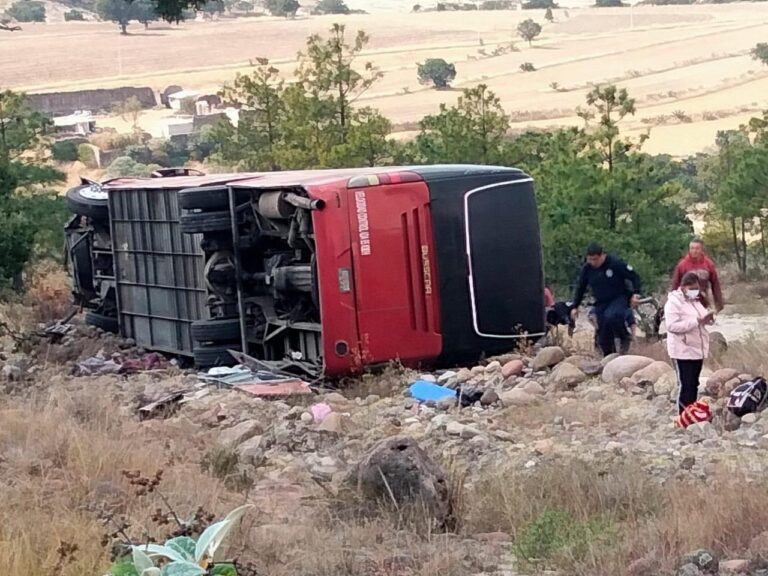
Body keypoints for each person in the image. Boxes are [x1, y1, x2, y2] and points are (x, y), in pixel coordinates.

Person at [571, 243, 642, 356]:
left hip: (619, 297)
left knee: (612, 315)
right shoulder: (587, 269)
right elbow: (581, 287)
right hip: (601, 301)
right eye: (590, 260)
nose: (593, 262)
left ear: (602, 255)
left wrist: (636, 294)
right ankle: (609, 354)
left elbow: (634, 276)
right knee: (601, 326)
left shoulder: (615, 263)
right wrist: (575, 306)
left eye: (595, 259)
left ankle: (624, 337)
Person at [665, 271, 714, 414]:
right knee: (686, 384)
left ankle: (692, 413)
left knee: (694, 383)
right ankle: (683, 414)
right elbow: (672, 326)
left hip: (697, 347)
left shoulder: (696, 300)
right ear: (683, 287)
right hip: (682, 349)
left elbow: (700, 317)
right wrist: (696, 322)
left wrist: (707, 319)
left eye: (696, 288)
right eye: (692, 289)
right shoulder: (673, 302)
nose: (695, 292)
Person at [671, 238, 724, 312]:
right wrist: (673, 301)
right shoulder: (682, 265)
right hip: (686, 301)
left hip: (703, 301)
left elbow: (715, 284)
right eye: (692, 248)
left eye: (697, 248)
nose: (694, 251)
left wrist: (719, 303)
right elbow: (675, 284)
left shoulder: (709, 264)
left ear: (702, 250)